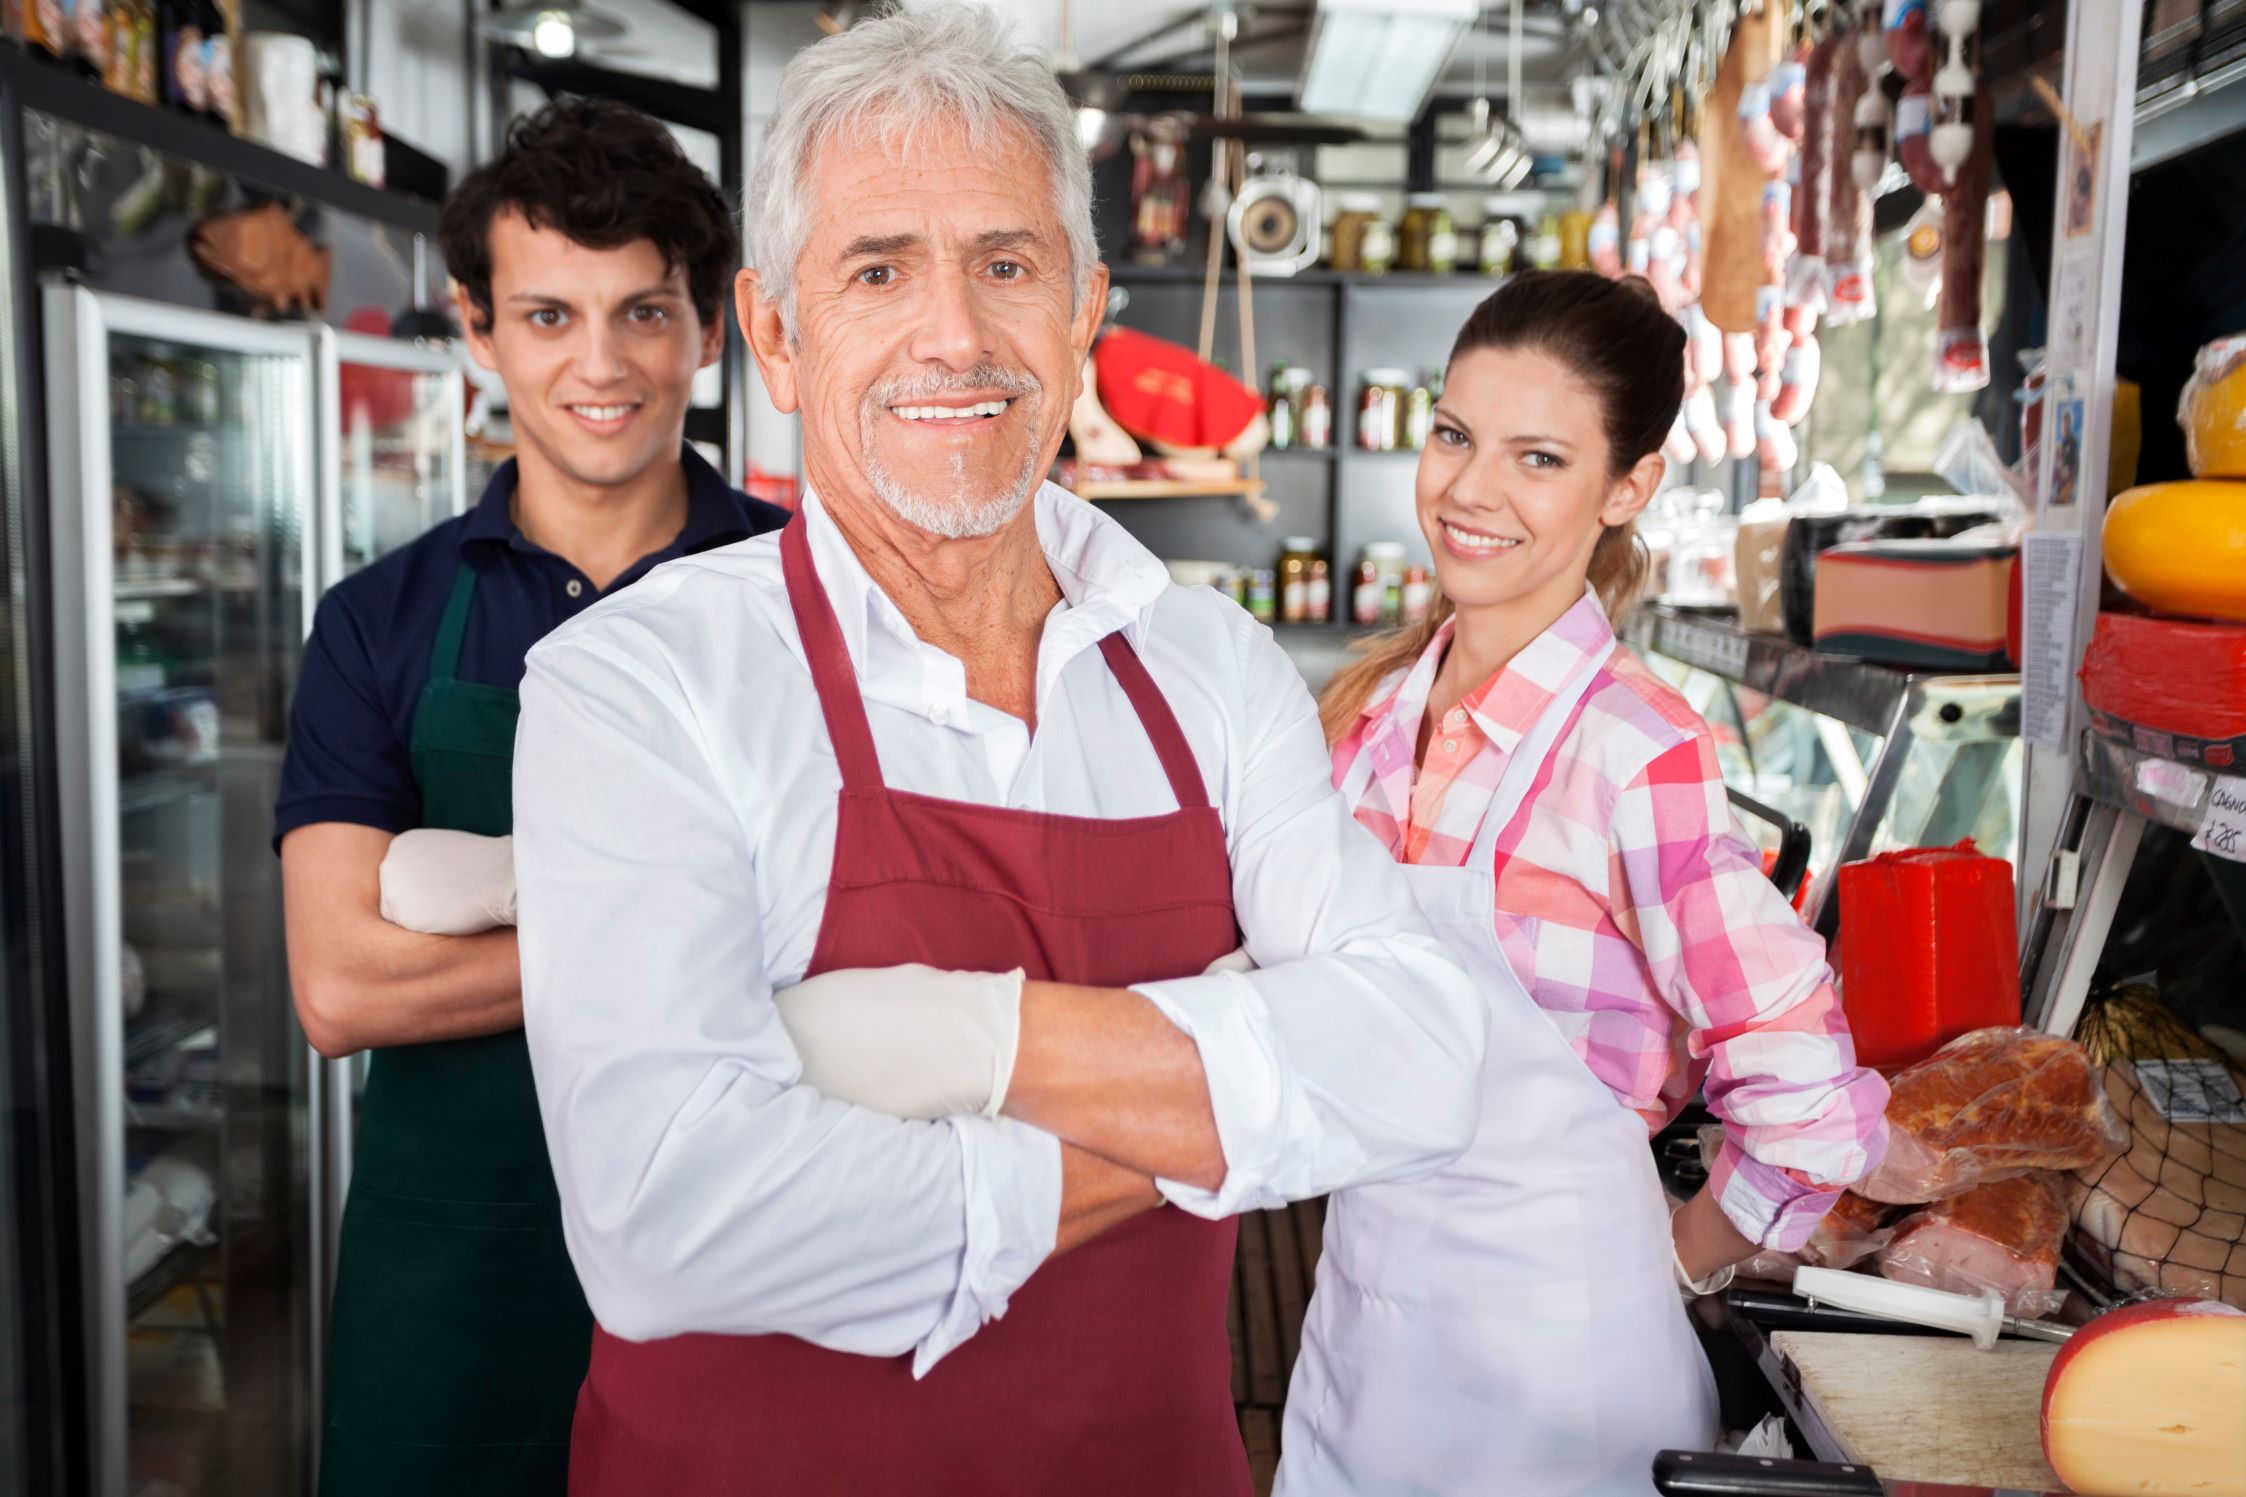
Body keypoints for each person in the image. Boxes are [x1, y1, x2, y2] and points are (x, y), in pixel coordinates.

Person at [495, 8, 1484, 1495]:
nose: (954, 334)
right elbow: (666, 1225)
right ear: (774, 329)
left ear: (1084, 307)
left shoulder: (1208, 665)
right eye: (879, 269)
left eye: (1006, 266)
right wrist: (1215, 1100)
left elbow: (1417, 1059)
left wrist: (955, 1045)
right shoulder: (637, 683)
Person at [1277, 272, 1893, 1497]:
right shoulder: (1367, 720)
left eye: (1537, 458)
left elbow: (1807, 1100)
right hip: (1360, 1348)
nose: (1468, 491)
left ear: (1626, 488)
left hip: (1559, 1394)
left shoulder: (1632, 747)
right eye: (1452, 435)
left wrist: (1675, 1262)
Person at [273, 99, 789, 1497]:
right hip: (452, 1281)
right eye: (549, 316)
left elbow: (863, 922)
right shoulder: (378, 621)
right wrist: (694, 925)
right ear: (479, 329)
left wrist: (486, 914)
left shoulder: (805, 600)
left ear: (708, 326)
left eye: (643, 312)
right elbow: (342, 986)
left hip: (740, 1257)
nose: (600, 363)